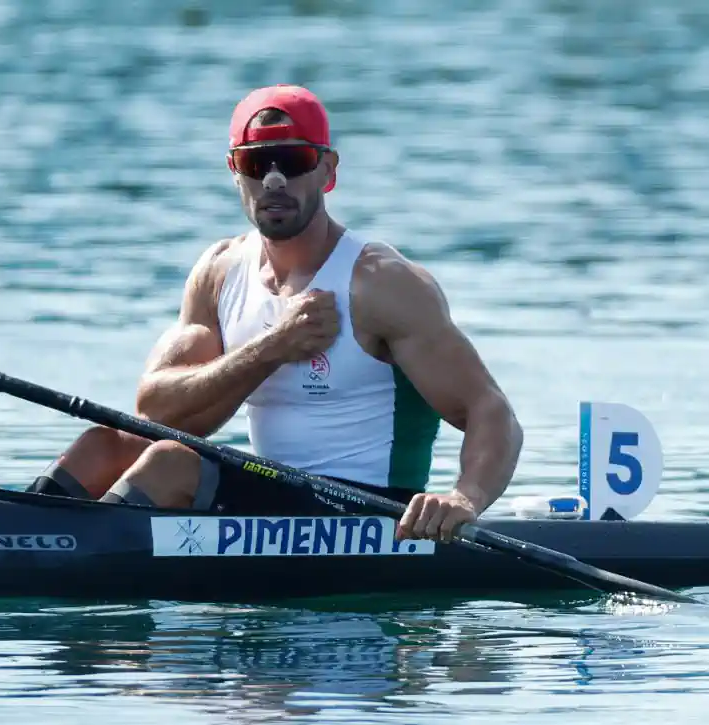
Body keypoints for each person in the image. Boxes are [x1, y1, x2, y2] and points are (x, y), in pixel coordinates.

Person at [27, 84, 523, 543]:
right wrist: (270, 349)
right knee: (106, 445)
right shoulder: (219, 271)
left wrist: (464, 499)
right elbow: (156, 411)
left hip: (366, 513)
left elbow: (490, 410)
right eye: (257, 163)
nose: (275, 179)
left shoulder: (381, 284)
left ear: (328, 171)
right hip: (272, 499)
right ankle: (21, 540)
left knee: (169, 465)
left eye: (293, 159)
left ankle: (58, 564)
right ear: (234, 170)